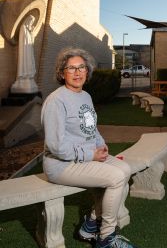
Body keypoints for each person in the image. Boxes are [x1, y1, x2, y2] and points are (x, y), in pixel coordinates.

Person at [41, 47, 137, 248]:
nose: (77, 73)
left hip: (86, 156)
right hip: (61, 165)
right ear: (61, 73)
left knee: (126, 169)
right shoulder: (56, 101)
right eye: (71, 68)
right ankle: (106, 237)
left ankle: (91, 225)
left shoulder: (85, 96)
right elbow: (56, 145)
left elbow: (91, 128)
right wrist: (90, 154)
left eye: (81, 67)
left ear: (87, 70)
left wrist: (100, 145)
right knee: (116, 177)